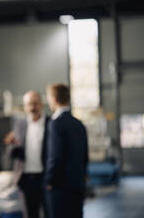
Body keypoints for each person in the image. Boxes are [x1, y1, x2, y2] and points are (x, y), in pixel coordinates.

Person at [45, 83, 88, 218]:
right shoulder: (79, 124)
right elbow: (85, 156)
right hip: (78, 184)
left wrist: (49, 180)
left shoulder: (56, 123)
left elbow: (55, 156)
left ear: (54, 99)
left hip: (60, 186)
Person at [5, 91, 50, 218]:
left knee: (50, 212)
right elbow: (12, 153)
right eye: (28, 104)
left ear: (41, 104)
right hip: (26, 178)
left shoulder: (50, 124)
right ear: (25, 107)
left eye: (35, 104)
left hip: (46, 177)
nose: (32, 108)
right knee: (30, 214)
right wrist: (11, 145)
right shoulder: (20, 125)